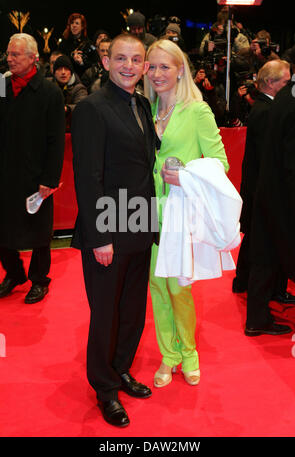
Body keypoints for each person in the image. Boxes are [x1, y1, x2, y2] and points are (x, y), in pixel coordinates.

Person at [71, 34, 157, 427]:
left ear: (143, 65)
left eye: (136, 59)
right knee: (105, 313)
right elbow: (88, 177)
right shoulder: (92, 108)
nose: (128, 66)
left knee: (132, 310)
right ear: (105, 62)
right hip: (110, 225)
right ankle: (104, 388)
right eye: (120, 58)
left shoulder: (141, 103)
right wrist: (100, 235)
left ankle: (121, 369)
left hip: (140, 220)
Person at [145, 39, 229, 388]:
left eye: (166, 66)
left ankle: (189, 354)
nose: (158, 73)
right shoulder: (143, 110)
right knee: (157, 288)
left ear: (181, 70)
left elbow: (220, 163)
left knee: (179, 289)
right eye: (152, 66)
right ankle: (169, 355)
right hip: (145, 214)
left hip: (180, 216)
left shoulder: (198, 112)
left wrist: (185, 176)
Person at [0, 33, 65, 303]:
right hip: (4, 172)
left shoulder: (50, 92)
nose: (9, 59)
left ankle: (39, 279)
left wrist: (49, 179)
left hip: (36, 175)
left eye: (15, 54)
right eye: (8, 53)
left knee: (39, 231)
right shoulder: (2, 85)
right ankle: (14, 273)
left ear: (32, 58)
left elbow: (56, 140)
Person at [244, 43, 295, 336]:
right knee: (272, 256)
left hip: (269, 189)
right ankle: (257, 318)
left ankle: (257, 318)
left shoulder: (283, 98)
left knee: (265, 257)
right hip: (284, 194)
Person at [233, 59, 295, 306]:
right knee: (265, 244)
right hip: (262, 187)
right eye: (286, 82)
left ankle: (242, 281)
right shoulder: (267, 112)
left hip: (256, 186)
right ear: (271, 83)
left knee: (254, 238)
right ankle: (264, 290)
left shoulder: (263, 109)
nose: (291, 87)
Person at [50, 55, 88, 131]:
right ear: (54, 72)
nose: (63, 72)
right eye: (60, 69)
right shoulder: (48, 85)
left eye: (66, 69)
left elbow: (82, 107)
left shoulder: (79, 88)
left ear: (71, 73)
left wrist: (67, 108)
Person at [58, 13, 96, 77]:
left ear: (82, 27)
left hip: (83, 78)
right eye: (72, 23)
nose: (74, 25)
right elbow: (59, 60)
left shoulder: (89, 43)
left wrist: (81, 63)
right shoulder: (64, 43)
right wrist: (71, 56)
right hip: (66, 76)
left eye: (77, 23)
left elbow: (94, 63)